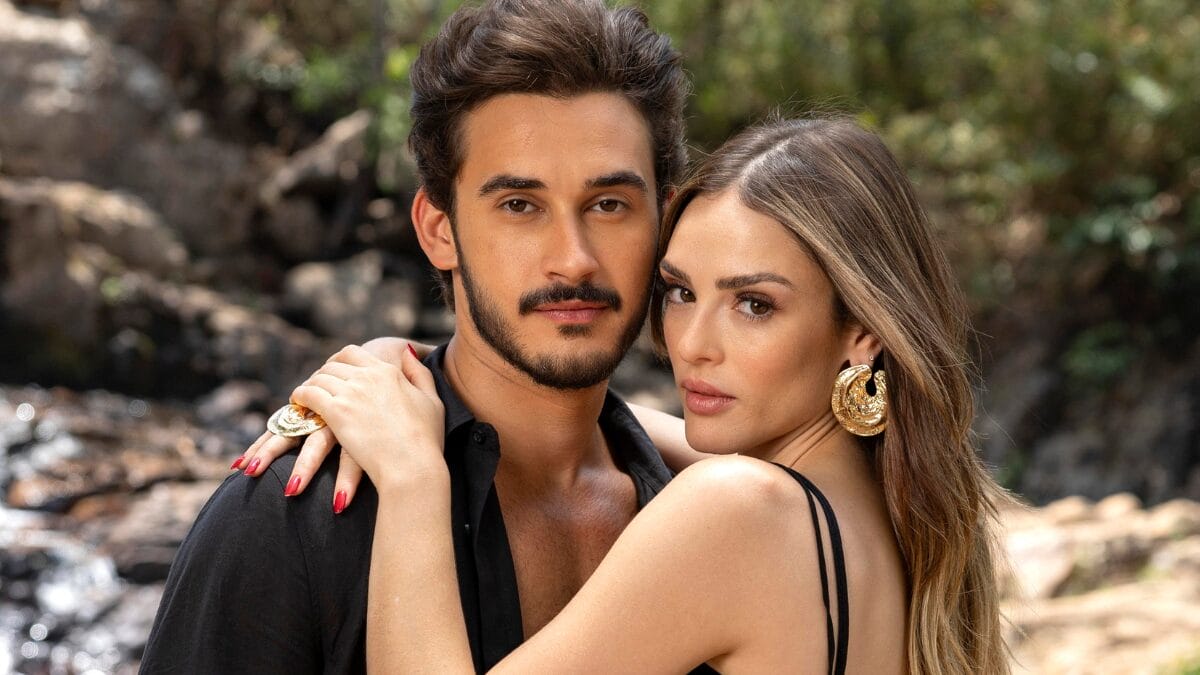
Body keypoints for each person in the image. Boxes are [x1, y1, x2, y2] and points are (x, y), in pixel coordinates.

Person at [255, 118, 1011, 672]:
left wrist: (413, 475)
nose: (693, 343)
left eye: (755, 305)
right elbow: (597, 423)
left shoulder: (740, 513)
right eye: (680, 291)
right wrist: (418, 370)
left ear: (863, 332)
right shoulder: (897, 517)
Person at [140, 1, 692, 672]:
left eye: (609, 205)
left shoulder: (706, 508)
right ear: (438, 230)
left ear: (664, 223)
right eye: (520, 205)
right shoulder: (294, 514)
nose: (574, 260)